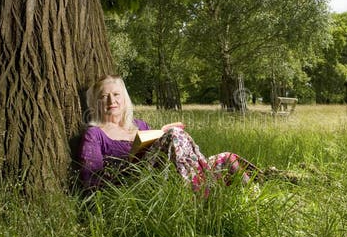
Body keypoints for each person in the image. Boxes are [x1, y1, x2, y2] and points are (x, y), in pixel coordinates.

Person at [78, 75, 258, 193]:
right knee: (173, 134)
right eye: (104, 96)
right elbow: (93, 181)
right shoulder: (95, 134)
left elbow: (164, 155)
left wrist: (163, 134)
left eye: (116, 94)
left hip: (170, 175)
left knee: (226, 158)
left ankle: (254, 195)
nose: (111, 101)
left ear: (124, 99)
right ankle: (200, 194)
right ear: (95, 102)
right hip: (135, 185)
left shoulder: (139, 125)